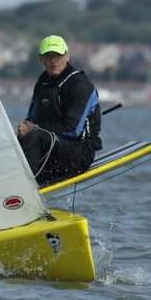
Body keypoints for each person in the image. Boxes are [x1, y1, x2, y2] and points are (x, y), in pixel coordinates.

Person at [17, 35, 102, 186]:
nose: (53, 61)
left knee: (33, 137)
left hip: (79, 153)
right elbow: (32, 119)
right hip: (52, 153)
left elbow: (72, 129)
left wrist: (34, 128)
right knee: (16, 138)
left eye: (58, 56)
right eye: (48, 57)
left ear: (67, 56)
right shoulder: (42, 82)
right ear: (40, 59)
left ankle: (23, 189)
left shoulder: (80, 85)